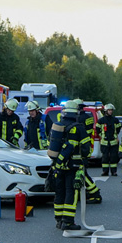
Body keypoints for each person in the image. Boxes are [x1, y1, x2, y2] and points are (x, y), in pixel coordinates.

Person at [48, 98, 86, 231]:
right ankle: (68, 221)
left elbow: (51, 144)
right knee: (71, 192)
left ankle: (58, 220)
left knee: (59, 192)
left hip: (57, 166)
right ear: (76, 113)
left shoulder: (57, 126)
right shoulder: (79, 128)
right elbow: (87, 150)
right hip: (73, 167)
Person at [97, 103, 120, 176]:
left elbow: (118, 129)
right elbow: (98, 130)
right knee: (105, 157)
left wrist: (115, 136)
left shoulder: (115, 120)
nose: (110, 112)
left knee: (114, 157)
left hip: (114, 142)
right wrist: (102, 136)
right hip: (104, 142)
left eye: (111, 110)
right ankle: (105, 171)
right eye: (109, 110)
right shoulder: (101, 121)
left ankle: (114, 171)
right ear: (105, 111)